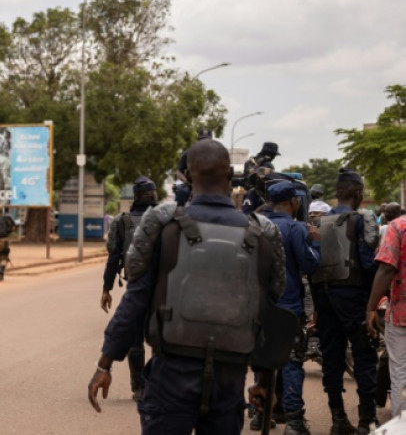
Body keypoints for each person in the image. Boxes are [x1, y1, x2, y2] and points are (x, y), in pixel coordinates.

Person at [88, 139, 290, 434]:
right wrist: (262, 379)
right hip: (229, 380)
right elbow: (271, 307)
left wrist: (105, 364)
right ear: (230, 175)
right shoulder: (262, 233)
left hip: (170, 375)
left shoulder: (162, 225)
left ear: (187, 175)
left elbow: (135, 300)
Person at [310, 168, 380, 434]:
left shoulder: (319, 222)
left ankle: (338, 419)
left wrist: (316, 306)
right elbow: (369, 264)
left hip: (325, 298)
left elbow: (312, 267)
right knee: (364, 355)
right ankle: (366, 420)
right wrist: (373, 302)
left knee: (332, 359)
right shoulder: (364, 219)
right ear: (358, 193)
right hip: (354, 297)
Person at [265, 181, 322, 434]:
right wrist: (317, 243)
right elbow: (309, 265)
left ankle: (260, 415)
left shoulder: (256, 225)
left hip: (260, 307)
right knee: (291, 362)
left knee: (263, 360)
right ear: (292, 202)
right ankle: (295, 422)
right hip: (288, 306)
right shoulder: (295, 228)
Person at [100, 176, 157, 402]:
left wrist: (106, 288)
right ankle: (154, 383)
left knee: (135, 340)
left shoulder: (122, 222)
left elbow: (113, 258)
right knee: (163, 340)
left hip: (135, 288)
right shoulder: (168, 220)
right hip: (164, 289)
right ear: (154, 195)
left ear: (135, 196)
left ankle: (138, 386)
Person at [367, 214, 406, 415]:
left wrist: (371, 307)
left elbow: (387, 269)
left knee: (400, 372)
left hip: (401, 314)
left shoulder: (398, 227)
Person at [242, 141, 279, 214]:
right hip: (261, 197)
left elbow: (244, 180)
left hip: (246, 195)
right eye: (274, 155)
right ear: (271, 154)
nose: (274, 157)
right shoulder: (268, 165)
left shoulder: (249, 162)